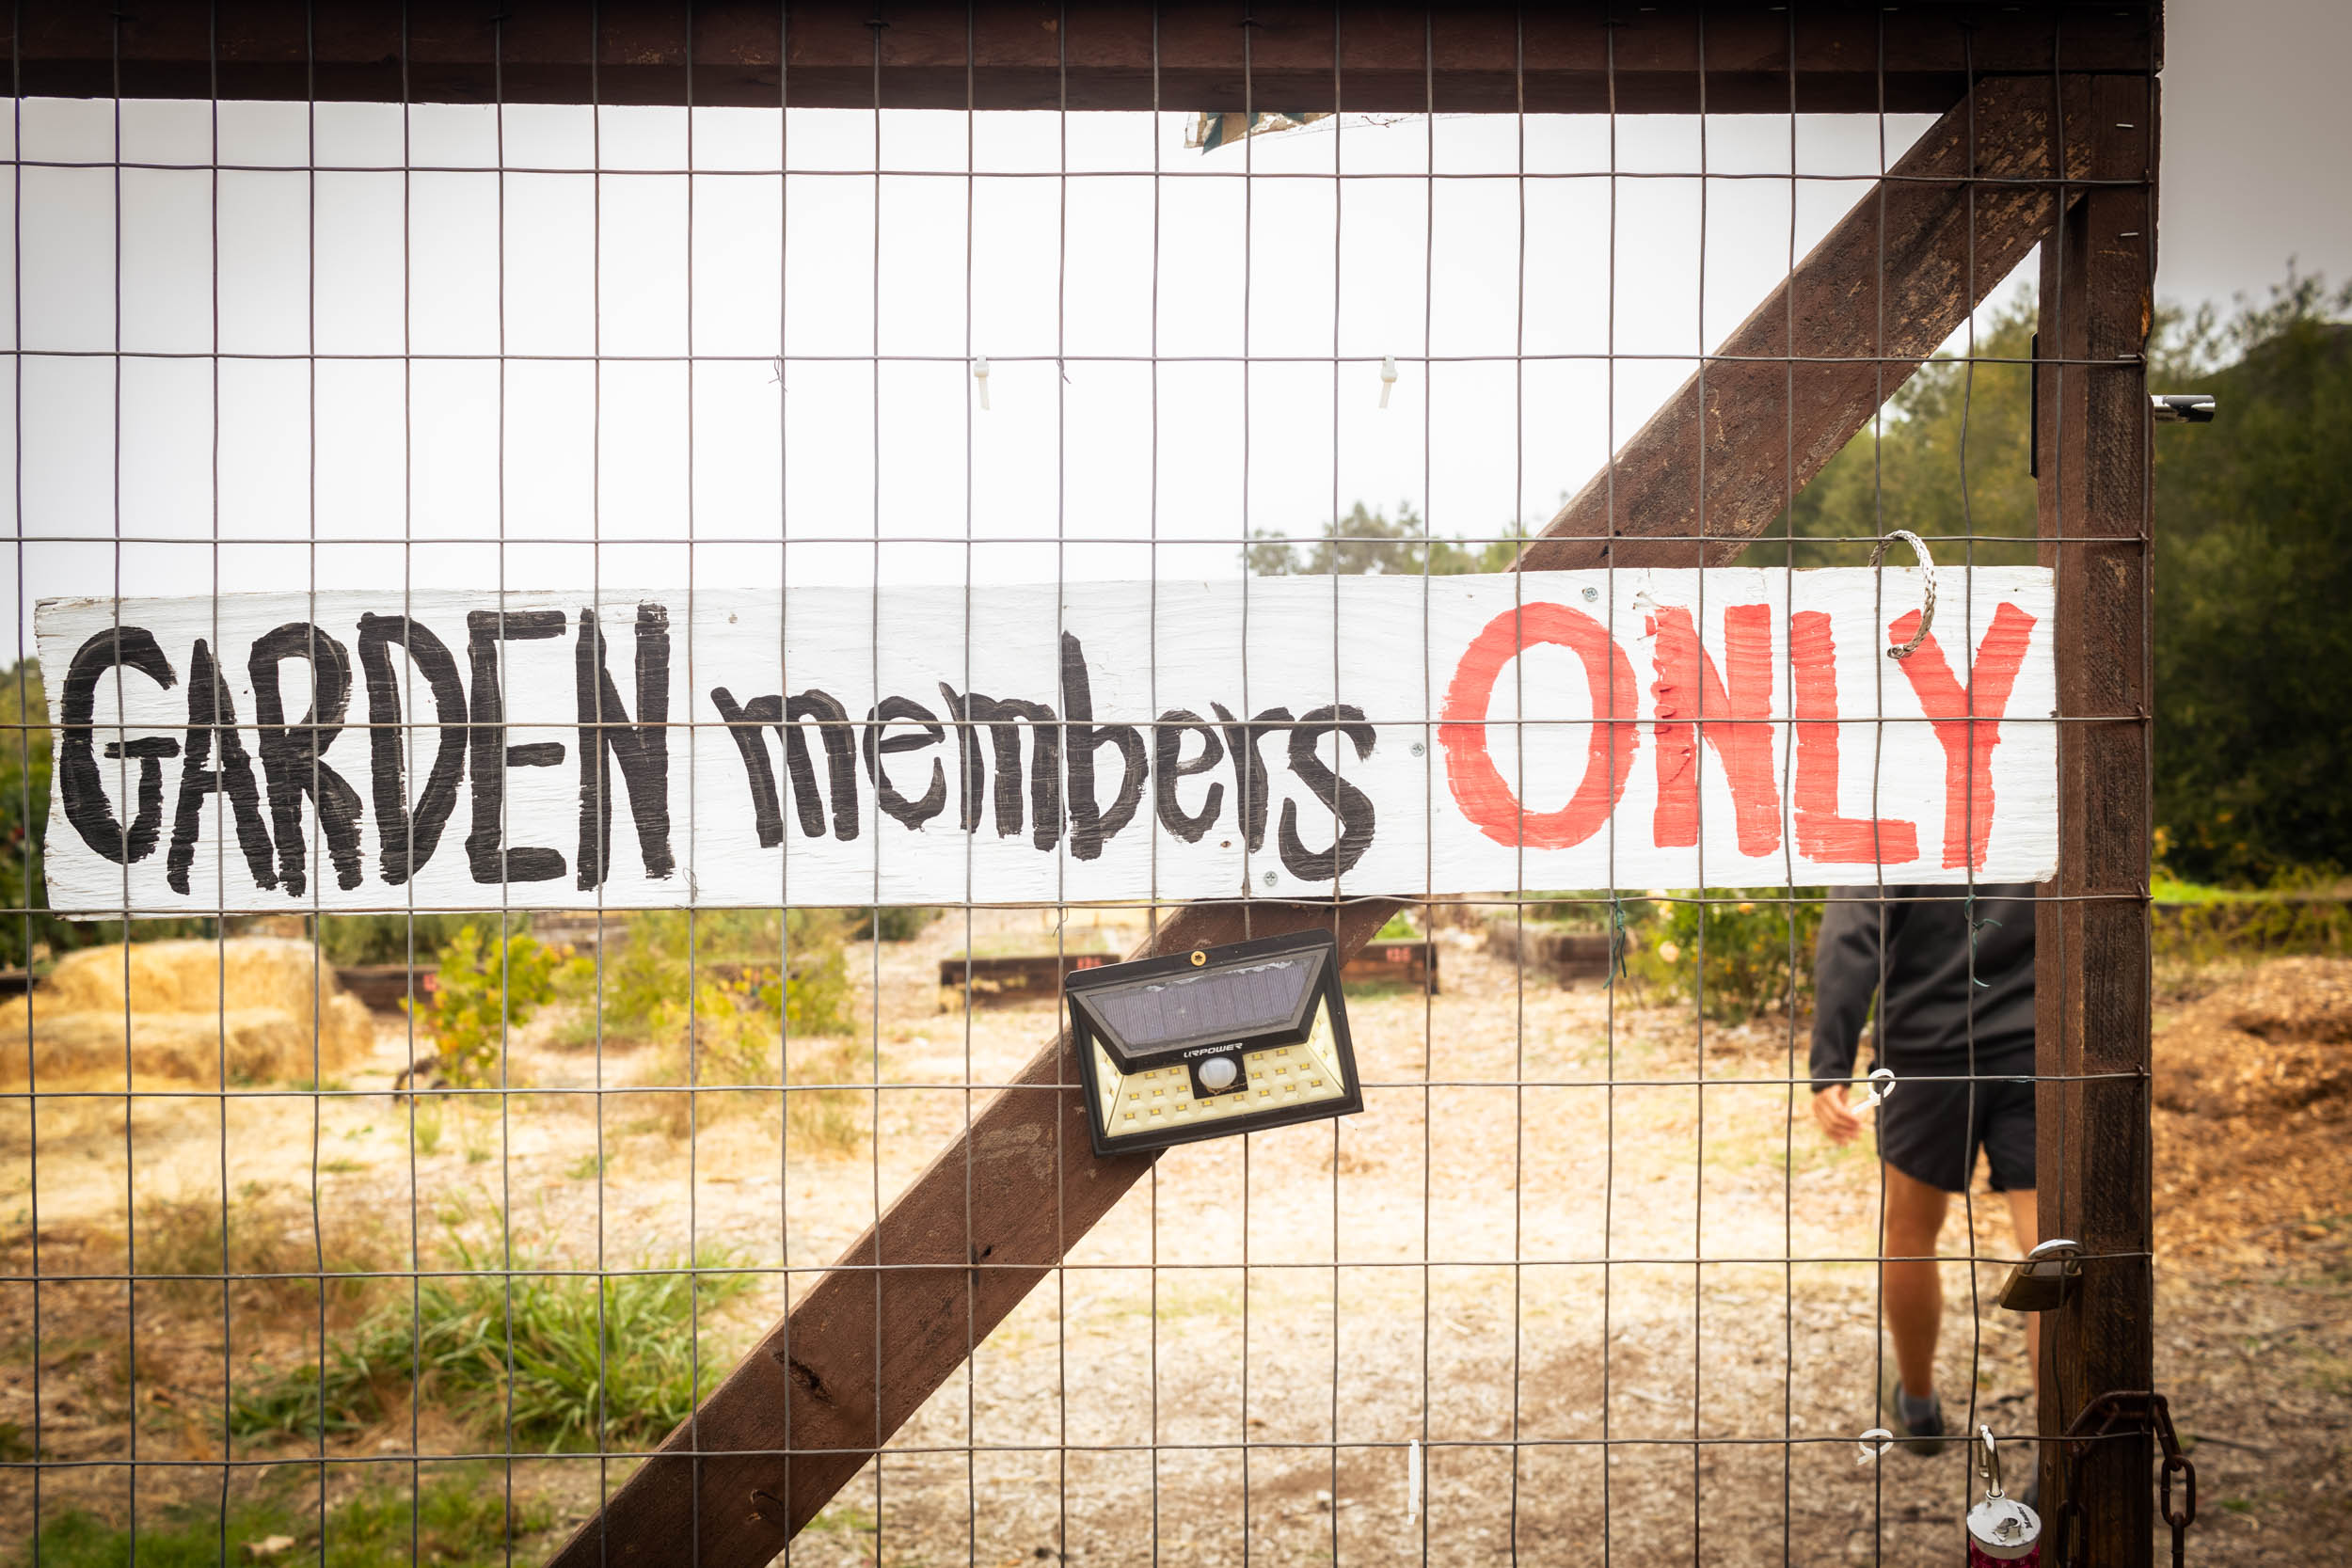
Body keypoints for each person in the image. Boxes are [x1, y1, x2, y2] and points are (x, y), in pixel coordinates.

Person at [1810, 883, 2040, 1457]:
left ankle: (1916, 1407)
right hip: (2038, 1045)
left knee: (1910, 1231)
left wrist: (1829, 1063)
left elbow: (1851, 930)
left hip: (1923, 1048)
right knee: (2048, 1256)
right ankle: (2060, 1451)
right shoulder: (2047, 795)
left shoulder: (1892, 797)